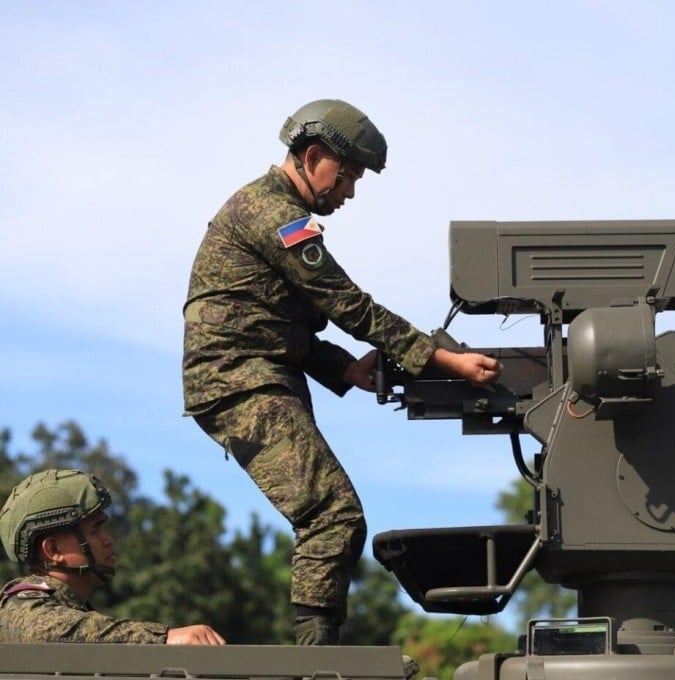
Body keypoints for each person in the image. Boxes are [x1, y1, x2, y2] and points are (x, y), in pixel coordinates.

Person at [182, 98, 502, 645]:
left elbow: (277, 322)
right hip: (239, 382)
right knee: (333, 516)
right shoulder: (274, 216)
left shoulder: (276, 213)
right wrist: (443, 359)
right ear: (312, 157)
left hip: (254, 375)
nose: (349, 192)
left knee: (332, 515)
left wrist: (346, 369)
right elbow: (347, 304)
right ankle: (316, 656)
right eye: (348, 175)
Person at [0, 468, 225, 644]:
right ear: (53, 550)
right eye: (96, 530)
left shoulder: (77, 611)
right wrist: (164, 638)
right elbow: (45, 632)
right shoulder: (22, 605)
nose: (108, 540)